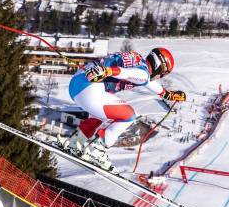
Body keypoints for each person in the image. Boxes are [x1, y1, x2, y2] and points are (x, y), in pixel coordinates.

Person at [58, 48, 186, 171]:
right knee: (130, 115)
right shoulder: (143, 73)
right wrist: (107, 71)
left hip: (77, 85)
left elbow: (144, 80)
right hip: (88, 90)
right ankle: (96, 150)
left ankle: (75, 142)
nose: (159, 78)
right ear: (160, 68)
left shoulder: (137, 60)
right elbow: (132, 74)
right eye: (162, 75)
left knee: (101, 114)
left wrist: (166, 94)